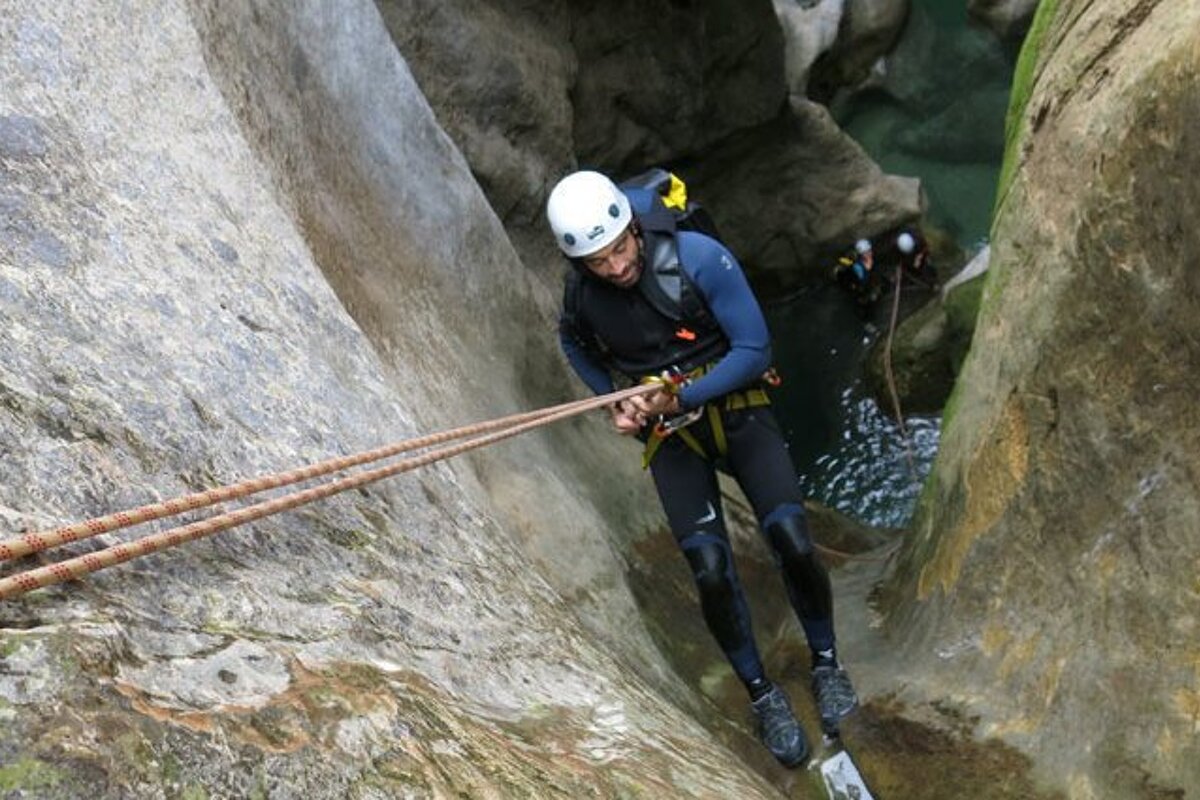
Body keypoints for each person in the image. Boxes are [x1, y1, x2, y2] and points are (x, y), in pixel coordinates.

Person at [547, 170, 858, 767]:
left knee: (792, 538)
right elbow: (573, 341)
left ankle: (827, 665)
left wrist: (678, 396)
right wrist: (613, 394)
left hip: (734, 408)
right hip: (671, 438)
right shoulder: (583, 296)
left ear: (634, 229)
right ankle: (763, 696)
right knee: (710, 569)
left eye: (619, 249)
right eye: (598, 261)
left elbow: (753, 349)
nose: (614, 268)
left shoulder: (698, 259)